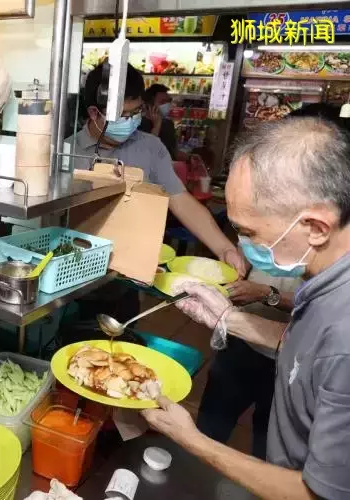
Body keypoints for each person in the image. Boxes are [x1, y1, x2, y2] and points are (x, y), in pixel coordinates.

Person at [143, 117, 350, 500]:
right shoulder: (328, 281)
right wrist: (228, 318)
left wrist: (192, 440)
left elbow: (318, 494)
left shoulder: (345, 335)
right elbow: (305, 349)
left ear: (317, 227)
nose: (244, 245)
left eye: (251, 233)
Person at [65, 62, 246, 327]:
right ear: (94, 112)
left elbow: (180, 199)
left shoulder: (150, 148)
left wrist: (224, 247)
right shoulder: (66, 152)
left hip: (127, 279)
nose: (132, 121)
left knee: (120, 342)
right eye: (124, 115)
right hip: (72, 275)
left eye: (137, 111)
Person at [198, 270, 299, 459]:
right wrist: (236, 266)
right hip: (240, 343)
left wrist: (266, 294)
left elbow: (318, 307)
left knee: (270, 446)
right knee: (209, 426)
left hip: (292, 363)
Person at [139, 84, 179, 159]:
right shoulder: (139, 125)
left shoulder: (169, 124)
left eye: (168, 101)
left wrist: (189, 158)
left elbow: (174, 153)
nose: (167, 105)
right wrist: (156, 126)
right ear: (149, 105)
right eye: (162, 102)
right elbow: (146, 153)